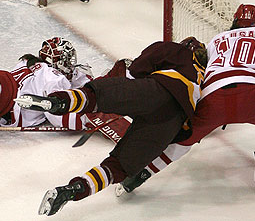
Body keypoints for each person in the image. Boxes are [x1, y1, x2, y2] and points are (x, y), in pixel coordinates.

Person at [15, 37, 207, 216]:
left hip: (155, 91)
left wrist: (123, 93)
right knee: (118, 166)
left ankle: (59, 102)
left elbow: (135, 70)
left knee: (97, 96)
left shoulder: (176, 51)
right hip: (173, 122)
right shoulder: (204, 80)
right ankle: (75, 189)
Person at [116, 4, 255, 194]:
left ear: (234, 22)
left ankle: (138, 174)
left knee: (184, 140)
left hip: (211, 96)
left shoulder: (217, 39)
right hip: (250, 94)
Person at [0, 37, 93, 130]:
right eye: (66, 60)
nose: (69, 64)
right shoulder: (53, 79)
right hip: (9, 108)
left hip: (5, 86)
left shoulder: (26, 62)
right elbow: (57, 114)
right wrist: (89, 120)